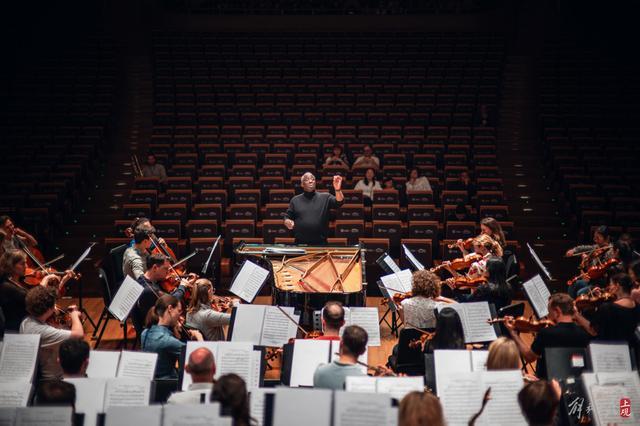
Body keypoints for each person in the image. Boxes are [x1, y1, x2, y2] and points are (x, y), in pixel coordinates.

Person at [506, 293, 591, 379]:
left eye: (549, 312)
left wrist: (513, 333)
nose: (548, 316)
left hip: (549, 385)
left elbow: (529, 357)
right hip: (575, 383)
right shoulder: (583, 333)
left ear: (557, 311)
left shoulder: (547, 333)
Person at [20, 286, 84, 381]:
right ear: (49, 309)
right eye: (54, 305)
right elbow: (79, 335)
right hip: (53, 379)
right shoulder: (42, 331)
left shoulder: (25, 322)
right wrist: (74, 315)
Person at [141, 295, 203, 379]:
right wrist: (199, 337)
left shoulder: (145, 333)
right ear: (170, 309)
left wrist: (174, 330)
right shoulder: (168, 341)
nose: (180, 316)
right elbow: (202, 358)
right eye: (179, 311)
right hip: (168, 385)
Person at [133, 254, 194, 336]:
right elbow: (172, 301)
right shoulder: (150, 290)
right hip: (155, 332)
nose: (168, 272)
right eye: (165, 269)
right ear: (155, 268)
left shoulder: (141, 280)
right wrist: (182, 286)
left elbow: (165, 298)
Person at [573, 273, 640, 344]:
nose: (609, 287)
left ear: (617, 286)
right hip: (630, 349)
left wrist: (576, 314)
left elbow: (593, 331)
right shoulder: (637, 306)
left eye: (611, 284)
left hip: (608, 349)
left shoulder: (607, 308)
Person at [284, 173, 344, 245]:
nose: (310, 181)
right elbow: (287, 217)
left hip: (321, 243)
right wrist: (287, 221)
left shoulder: (325, 197)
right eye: (307, 179)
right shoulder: (295, 200)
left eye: (313, 179)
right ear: (302, 184)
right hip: (300, 243)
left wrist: (338, 190)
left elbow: (339, 202)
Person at [313, 325, 368, 389]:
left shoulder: (319, 372)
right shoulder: (365, 382)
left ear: (341, 343)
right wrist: (374, 381)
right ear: (363, 351)